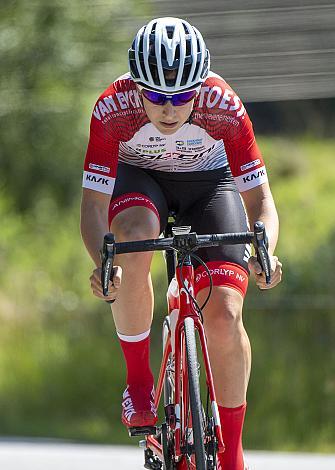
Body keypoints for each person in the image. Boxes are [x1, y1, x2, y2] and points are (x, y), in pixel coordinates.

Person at [80, 17, 282, 470]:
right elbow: (93, 206)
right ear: (137, 87)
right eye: (155, 97)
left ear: (200, 87)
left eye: (181, 96)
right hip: (140, 181)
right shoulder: (113, 109)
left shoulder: (223, 105)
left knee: (226, 313)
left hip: (209, 186)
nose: (169, 109)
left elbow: (261, 200)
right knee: (132, 240)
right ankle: (138, 385)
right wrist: (103, 263)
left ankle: (231, 450)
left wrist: (266, 249)